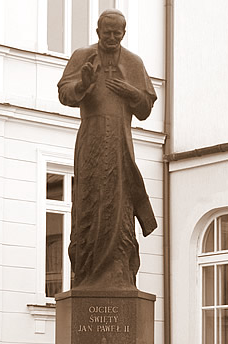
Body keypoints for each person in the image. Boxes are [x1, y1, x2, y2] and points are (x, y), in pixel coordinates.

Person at [57, 9, 157, 290]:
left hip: (120, 142)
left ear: (124, 33)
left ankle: (119, 273)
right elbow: (65, 94)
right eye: (107, 32)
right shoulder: (82, 56)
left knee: (120, 205)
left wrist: (131, 92)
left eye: (117, 33)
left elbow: (145, 109)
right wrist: (84, 83)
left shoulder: (133, 62)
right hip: (91, 139)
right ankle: (87, 273)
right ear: (97, 31)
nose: (112, 37)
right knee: (89, 201)